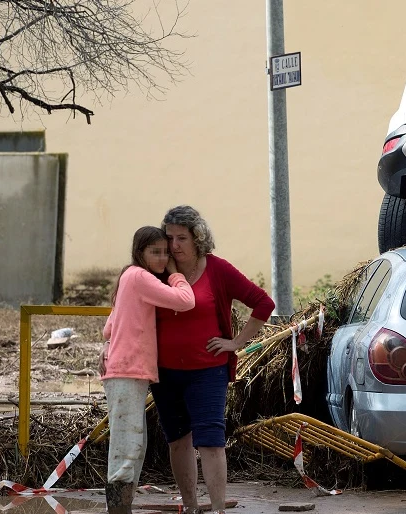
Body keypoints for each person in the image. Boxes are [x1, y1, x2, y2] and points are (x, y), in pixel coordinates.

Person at [150, 205, 275, 514]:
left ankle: (218, 509)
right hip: (164, 372)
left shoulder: (217, 269)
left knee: (210, 440)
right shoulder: (157, 271)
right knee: (178, 440)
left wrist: (236, 342)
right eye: (169, 238)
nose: (174, 246)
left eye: (182, 238)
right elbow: (129, 309)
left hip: (207, 371)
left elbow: (263, 303)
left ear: (198, 239)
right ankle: (191, 507)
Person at [100, 227, 196, 514]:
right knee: (128, 446)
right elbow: (186, 300)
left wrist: (107, 344)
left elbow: (109, 326)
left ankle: (121, 507)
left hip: (125, 370)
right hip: (128, 370)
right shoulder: (140, 277)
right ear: (139, 252)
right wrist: (175, 273)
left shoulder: (128, 277)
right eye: (155, 252)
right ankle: (118, 509)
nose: (162, 257)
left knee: (133, 443)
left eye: (165, 252)